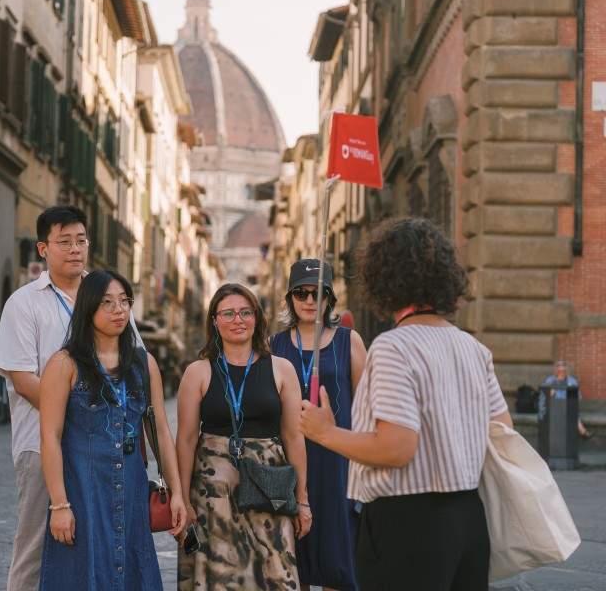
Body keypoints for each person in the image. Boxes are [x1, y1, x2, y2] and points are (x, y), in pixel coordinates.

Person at [300, 218, 513, 591]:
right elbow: (502, 432)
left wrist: (325, 432)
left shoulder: (394, 347)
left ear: (384, 278)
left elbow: (395, 448)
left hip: (407, 523)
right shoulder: (473, 348)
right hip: (468, 520)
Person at [0, 206, 145, 591]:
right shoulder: (24, 303)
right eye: (64, 242)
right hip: (43, 443)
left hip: (107, 449)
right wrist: (79, 415)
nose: (75, 249)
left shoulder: (108, 294)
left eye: (81, 240)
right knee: (37, 544)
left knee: (104, 543)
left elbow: (135, 365)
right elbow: (23, 378)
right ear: (43, 248)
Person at [38, 269, 186, 590]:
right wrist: (59, 505)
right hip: (83, 493)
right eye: (107, 302)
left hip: (131, 492)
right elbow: (49, 437)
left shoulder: (144, 364)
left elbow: (160, 430)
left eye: (124, 301)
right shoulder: (63, 364)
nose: (119, 310)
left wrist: (176, 493)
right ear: (88, 308)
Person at [177, 283, 311, 590]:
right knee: (218, 577)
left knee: (277, 573)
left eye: (245, 312)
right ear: (214, 320)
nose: (238, 320)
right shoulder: (197, 372)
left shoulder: (282, 369)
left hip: (271, 491)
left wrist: (302, 501)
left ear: (256, 317)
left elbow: (293, 437)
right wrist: (183, 500)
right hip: (213, 494)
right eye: (228, 313)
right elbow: (184, 440)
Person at [270, 259, 366, 591]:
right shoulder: (275, 346)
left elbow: (368, 403)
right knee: (294, 560)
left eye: (318, 293)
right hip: (291, 459)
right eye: (301, 293)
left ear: (329, 299)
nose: (310, 301)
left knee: (338, 562)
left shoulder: (349, 341)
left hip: (338, 460)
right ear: (290, 299)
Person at [542, 360, 593, 440]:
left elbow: (578, 396)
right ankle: (583, 432)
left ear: (566, 370)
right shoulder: (550, 380)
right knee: (570, 413)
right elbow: (545, 395)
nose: (561, 371)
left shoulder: (572, 381)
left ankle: (582, 432)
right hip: (554, 406)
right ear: (555, 369)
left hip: (568, 405)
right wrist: (552, 390)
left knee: (570, 411)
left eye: (563, 368)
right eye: (558, 367)